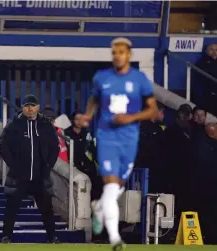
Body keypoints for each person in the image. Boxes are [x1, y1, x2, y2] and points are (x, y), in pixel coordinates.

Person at [79, 38, 158, 250]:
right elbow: (94, 99)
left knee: (117, 188)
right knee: (112, 184)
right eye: (114, 52)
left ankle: (100, 208)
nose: (117, 56)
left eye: (121, 52)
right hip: (106, 136)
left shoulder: (140, 79)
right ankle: (115, 239)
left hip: (129, 138)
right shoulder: (101, 77)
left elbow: (153, 110)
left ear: (129, 55)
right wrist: (88, 116)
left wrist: (130, 118)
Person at [0, 95, 60, 244]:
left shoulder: (45, 124)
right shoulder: (14, 124)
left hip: (41, 175)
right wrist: (13, 165)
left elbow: (54, 147)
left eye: (33, 105)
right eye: (27, 106)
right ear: (23, 108)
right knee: (11, 208)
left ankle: (52, 237)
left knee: (47, 209)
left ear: (38, 107)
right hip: (19, 175)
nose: (30, 108)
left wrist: (48, 166)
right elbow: (3, 146)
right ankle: (6, 237)